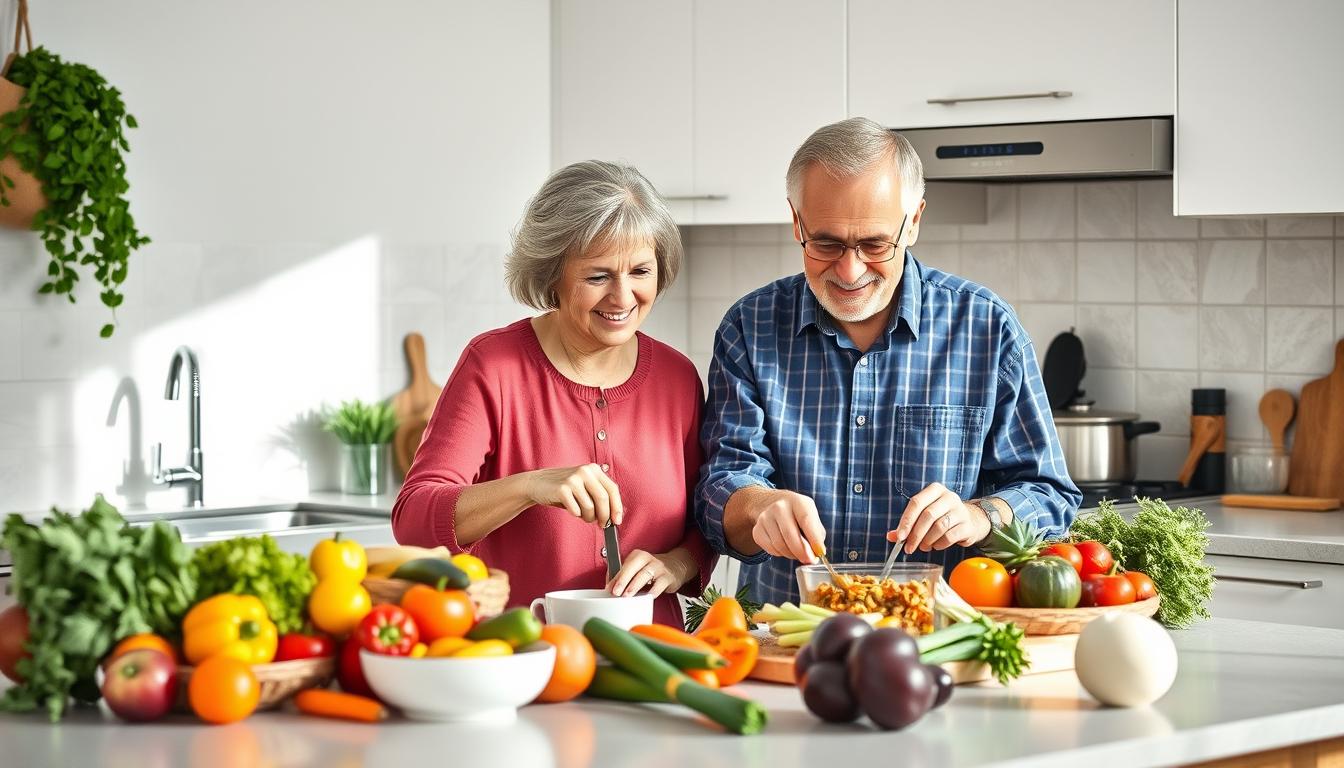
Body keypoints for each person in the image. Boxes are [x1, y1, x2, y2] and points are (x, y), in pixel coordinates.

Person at [694, 118, 1081, 606]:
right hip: (787, 638)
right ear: (797, 222)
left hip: (938, 639)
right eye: (827, 243)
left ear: (913, 221)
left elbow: (1050, 494)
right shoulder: (750, 327)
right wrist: (758, 506)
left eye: (875, 244)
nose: (850, 270)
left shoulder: (987, 328)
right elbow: (721, 484)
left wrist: (979, 516)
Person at [394, 160, 714, 626]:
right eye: (598, 276)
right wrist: (528, 487)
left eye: (640, 271)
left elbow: (703, 525)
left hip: (653, 663)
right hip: (521, 660)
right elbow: (414, 520)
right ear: (553, 275)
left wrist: (679, 564)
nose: (623, 297)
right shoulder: (494, 366)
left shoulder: (677, 378)